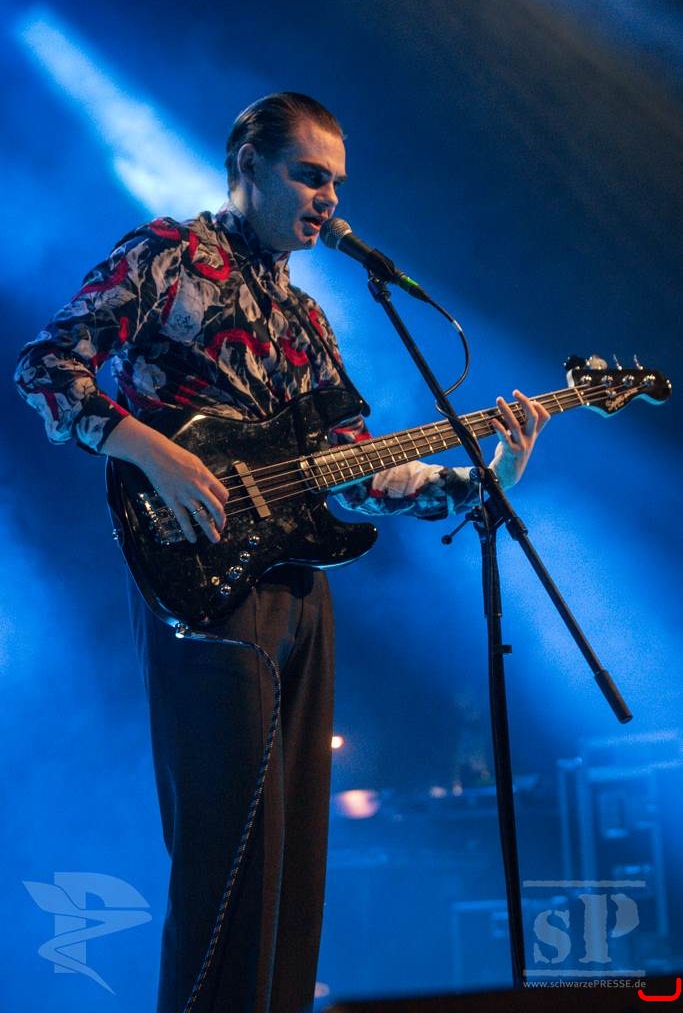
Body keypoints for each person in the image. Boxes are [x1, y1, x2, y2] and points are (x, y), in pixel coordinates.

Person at [14, 92, 549, 1013]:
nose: (328, 199)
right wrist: (153, 450)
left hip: (298, 584)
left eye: (336, 183)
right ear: (248, 168)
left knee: (295, 854)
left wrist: (484, 472)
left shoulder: (308, 318)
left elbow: (356, 475)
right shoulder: (168, 254)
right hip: (201, 571)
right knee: (229, 854)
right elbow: (47, 366)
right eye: (309, 176)